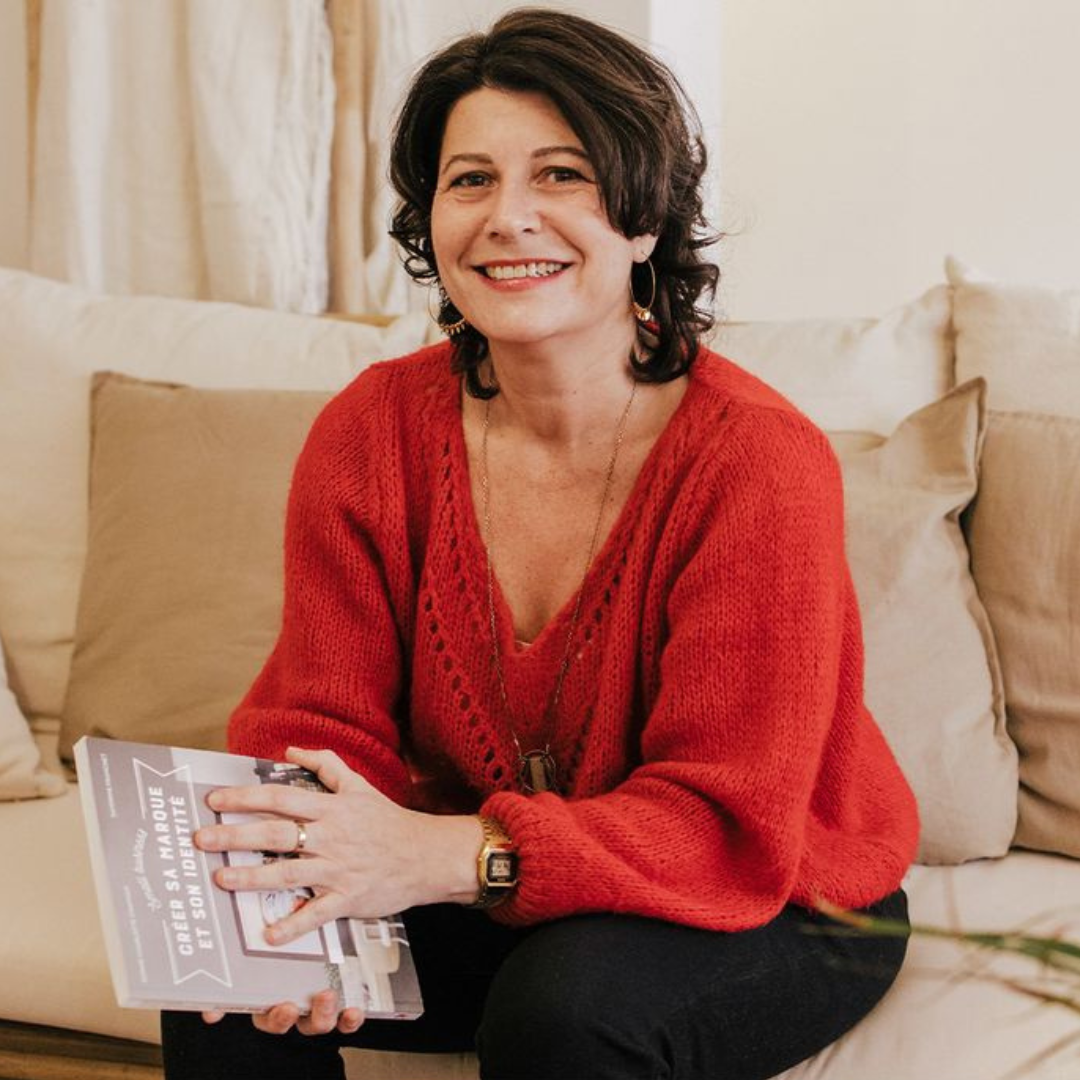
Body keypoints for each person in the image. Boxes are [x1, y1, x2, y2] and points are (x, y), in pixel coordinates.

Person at [161, 9, 919, 1080]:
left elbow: (725, 818)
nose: (508, 217)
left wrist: (453, 852)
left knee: (564, 1009)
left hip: (776, 889)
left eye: (561, 174)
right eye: (470, 180)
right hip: (477, 869)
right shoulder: (372, 431)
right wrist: (300, 899)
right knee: (225, 975)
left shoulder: (757, 461)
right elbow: (319, 725)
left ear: (645, 221)